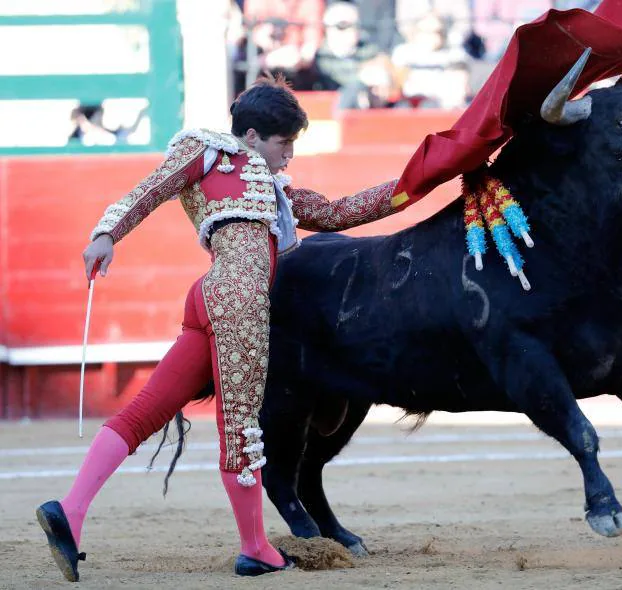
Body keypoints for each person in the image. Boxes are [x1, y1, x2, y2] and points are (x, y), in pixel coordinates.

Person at [35, 75, 401, 582]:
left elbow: (339, 212)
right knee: (242, 431)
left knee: (145, 412)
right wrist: (106, 232)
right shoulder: (209, 152)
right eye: (284, 143)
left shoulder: (275, 190)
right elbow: (152, 188)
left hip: (208, 298)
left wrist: (415, 183)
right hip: (241, 303)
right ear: (250, 136)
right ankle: (255, 549)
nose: (289, 155)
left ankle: (70, 511)